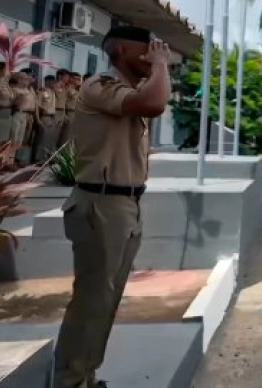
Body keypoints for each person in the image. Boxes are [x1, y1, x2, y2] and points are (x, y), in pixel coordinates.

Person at [53, 26, 172, 387]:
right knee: (92, 300)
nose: (152, 54)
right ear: (120, 50)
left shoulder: (128, 91)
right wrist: (161, 65)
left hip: (125, 204)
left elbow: (150, 99)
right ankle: (71, 381)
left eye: (156, 49)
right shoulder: (100, 84)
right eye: (146, 49)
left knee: (106, 299)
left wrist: (156, 67)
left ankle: (86, 375)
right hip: (100, 203)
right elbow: (154, 104)